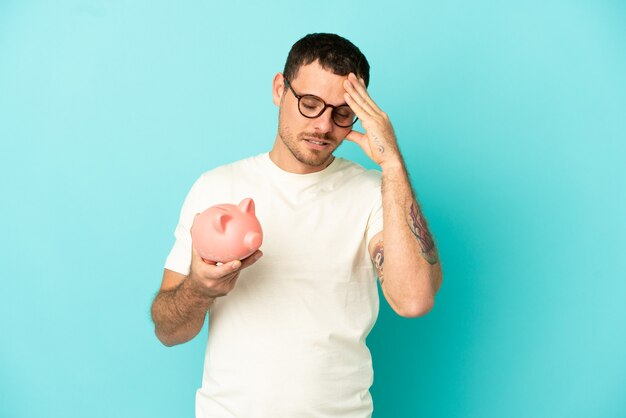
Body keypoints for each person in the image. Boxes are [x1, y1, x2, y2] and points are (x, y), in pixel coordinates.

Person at [151, 33, 443, 418]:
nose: (324, 126)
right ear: (279, 89)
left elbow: (414, 299)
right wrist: (200, 289)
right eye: (310, 104)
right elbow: (169, 331)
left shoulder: (375, 193)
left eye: (342, 112)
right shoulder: (216, 188)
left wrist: (391, 163)